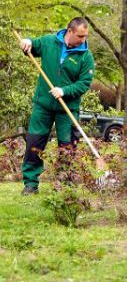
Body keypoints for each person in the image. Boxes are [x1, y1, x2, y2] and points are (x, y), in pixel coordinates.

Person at [18, 17, 95, 195]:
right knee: (34, 143)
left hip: (67, 110)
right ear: (70, 31)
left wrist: (64, 90)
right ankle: (30, 184)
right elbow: (33, 46)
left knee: (67, 147)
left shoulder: (85, 56)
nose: (83, 40)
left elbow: (84, 84)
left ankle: (65, 184)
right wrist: (28, 42)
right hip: (43, 105)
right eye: (80, 36)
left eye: (85, 36)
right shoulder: (49, 42)